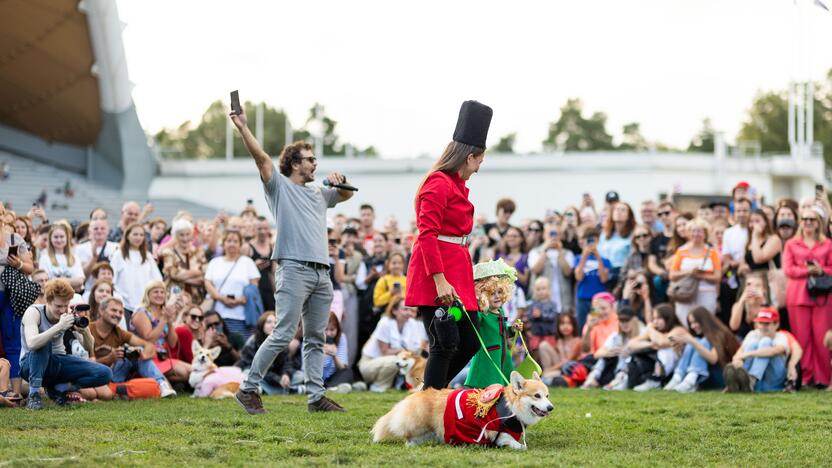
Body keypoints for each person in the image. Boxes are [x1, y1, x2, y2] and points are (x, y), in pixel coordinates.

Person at [231, 103, 354, 415]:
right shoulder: (279, 187)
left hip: (321, 273)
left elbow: (347, 195)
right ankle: (248, 388)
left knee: (315, 337)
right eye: (310, 159)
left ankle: (315, 398)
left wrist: (339, 182)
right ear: (295, 164)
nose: (315, 163)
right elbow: (261, 159)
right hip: (293, 268)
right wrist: (243, 127)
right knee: (283, 333)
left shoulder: (318, 192)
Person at [405, 100, 492, 390]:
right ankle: (429, 402)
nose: (479, 167)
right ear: (468, 157)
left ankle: (429, 392)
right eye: (479, 160)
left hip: (456, 270)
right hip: (437, 275)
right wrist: (440, 281)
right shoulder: (439, 183)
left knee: (468, 340)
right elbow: (427, 234)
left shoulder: (453, 184)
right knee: (444, 342)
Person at [19, 279, 112, 409]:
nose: (62, 310)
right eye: (58, 306)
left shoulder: (68, 314)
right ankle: (34, 396)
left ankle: (59, 389)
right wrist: (59, 327)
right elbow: (32, 343)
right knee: (43, 344)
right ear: (48, 301)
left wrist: (84, 332)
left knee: (105, 373)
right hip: (30, 364)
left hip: (58, 362)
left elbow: (89, 348)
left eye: (65, 305)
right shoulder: (33, 312)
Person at [782, 207, 832, 387]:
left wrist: (821, 270)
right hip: (798, 295)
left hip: (822, 297)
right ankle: (804, 377)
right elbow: (788, 269)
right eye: (805, 219)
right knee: (801, 338)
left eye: (812, 219)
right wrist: (806, 270)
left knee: (822, 338)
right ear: (800, 222)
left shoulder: (828, 244)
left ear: (819, 223)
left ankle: (823, 378)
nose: (808, 222)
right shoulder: (791, 244)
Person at [89, 297, 176, 397]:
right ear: (101, 310)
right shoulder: (88, 329)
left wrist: (143, 354)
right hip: (95, 375)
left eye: (120, 312)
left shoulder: (119, 332)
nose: (117, 314)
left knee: (136, 353)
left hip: (114, 375)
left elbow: (148, 345)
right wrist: (108, 358)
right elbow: (83, 363)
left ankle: (161, 384)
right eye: (113, 310)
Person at [464, 259, 520, 388]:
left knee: (502, 384)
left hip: (501, 354)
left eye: (499, 292)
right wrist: (479, 306)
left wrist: (512, 329)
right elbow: (474, 322)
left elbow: (501, 331)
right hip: (488, 356)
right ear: (483, 296)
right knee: (486, 385)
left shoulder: (499, 311)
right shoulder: (483, 313)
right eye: (491, 294)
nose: (497, 296)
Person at [358, 297, 427, 392]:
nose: (409, 313)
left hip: (394, 361)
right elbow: (385, 352)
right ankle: (379, 386)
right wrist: (404, 351)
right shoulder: (385, 323)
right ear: (394, 310)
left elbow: (416, 350)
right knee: (396, 361)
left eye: (412, 311)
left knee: (412, 361)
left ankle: (404, 385)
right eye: (405, 309)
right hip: (370, 363)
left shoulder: (414, 324)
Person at [663, 306, 739, 393]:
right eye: (691, 323)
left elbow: (713, 359)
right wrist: (678, 350)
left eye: (695, 322)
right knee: (697, 340)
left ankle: (690, 380)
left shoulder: (718, 334)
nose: (692, 326)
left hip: (720, 376)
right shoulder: (699, 337)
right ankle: (677, 378)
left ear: (704, 321)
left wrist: (692, 341)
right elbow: (690, 361)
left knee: (700, 341)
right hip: (704, 376)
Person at [130, 281, 191, 384]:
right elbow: (149, 339)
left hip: (161, 356)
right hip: (145, 358)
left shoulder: (163, 312)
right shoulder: (141, 312)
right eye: (156, 292)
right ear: (148, 294)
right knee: (183, 373)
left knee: (191, 370)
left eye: (162, 292)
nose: (160, 295)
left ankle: (158, 381)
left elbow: (172, 343)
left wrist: (170, 321)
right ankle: (149, 380)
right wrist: (163, 320)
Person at [205, 230, 261, 339]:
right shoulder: (215, 262)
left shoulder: (247, 262)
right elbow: (208, 283)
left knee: (241, 349)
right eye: (229, 241)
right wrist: (221, 298)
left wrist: (240, 300)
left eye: (235, 241)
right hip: (219, 315)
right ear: (223, 243)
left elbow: (254, 286)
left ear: (240, 244)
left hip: (242, 315)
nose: (232, 244)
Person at [0, 222, 34, 396]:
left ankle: (16, 393)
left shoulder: (15, 238)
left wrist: (18, 263)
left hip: (12, 296)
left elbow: (30, 267)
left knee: (13, 343)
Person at [668, 218, 721, 326]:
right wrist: (689, 272)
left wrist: (701, 275)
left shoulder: (711, 252)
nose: (696, 234)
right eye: (693, 231)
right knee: (686, 321)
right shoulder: (681, 251)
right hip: (686, 294)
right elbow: (672, 275)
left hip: (707, 293)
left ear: (705, 234)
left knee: (706, 323)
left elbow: (717, 277)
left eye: (700, 231)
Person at [723, 308, 788, 392]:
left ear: (776, 324)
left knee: (765, 341)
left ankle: (751, 380)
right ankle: (741, 382)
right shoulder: (753, 334)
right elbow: (740, 352)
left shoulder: (781, 336)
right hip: (760, 384)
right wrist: (738, 361)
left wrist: (748, 354)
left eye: (767, 323)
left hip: (773, 381)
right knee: (752, 344)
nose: (763, 327)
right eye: (761, 323)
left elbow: (775, 351)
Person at [582, 306, 645, 390]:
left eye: (627, 320)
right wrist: (608, 352)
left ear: (634, 320)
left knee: (623, 353)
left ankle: (619, 379)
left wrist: (629, 352)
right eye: (621, 321)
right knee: (606, 356)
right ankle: (592, 377)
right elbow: (596, 354)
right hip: (614, 368)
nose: (624, 324)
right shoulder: (616, 336)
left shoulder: (643, 333)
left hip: (635, 369)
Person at [627, 303, 687, 391]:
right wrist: (650, 344)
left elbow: (663, 342)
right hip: (658, 366)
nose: (655, 322)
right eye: (654, 318)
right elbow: (631, 344)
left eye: (658, 318)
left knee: (665, 349)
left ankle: (656, 380)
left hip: (677, 367)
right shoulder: (655, 332)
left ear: (668, 318)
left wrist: (650, 329)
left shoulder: (679, 329)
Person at [111, 223, 163, 316]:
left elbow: (157, 280)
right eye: (135, 234)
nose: (138, 237)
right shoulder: (118, 255)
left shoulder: (147, 256)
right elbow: (112, 279)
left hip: (144, 305)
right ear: (127, 236)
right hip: (124, 304)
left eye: (141, 235)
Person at [528, 226, 574, 317]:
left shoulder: (567, 253)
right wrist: (545, 249)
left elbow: (568, 272)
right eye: (551, 234)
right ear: (544, 235)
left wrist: (560, 251)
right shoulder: (535, 252)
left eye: (556, 234)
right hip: (542, 302)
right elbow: (536, 269)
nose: (553, 237)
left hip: (563, 300)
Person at [573, 225, 611, 332]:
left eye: (593, 240)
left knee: (597, 326)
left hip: (598, 300)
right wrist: (584, 256)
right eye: (588, 239)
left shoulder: (605, 260)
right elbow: (578, 277)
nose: (590, 243)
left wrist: (597, 256)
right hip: (583, 299)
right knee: (583, 327)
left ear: (598, 241)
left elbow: (604, 279)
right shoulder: (577, 258)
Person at [160, 218, 207, 302]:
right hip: (174, 297)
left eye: (187, 234)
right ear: (175, 236)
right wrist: (197, 272)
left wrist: (181, 277)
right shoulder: (169, 252)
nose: (185, 238)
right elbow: (173, 274)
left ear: (192, 235)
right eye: (181, 235)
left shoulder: (198, 252)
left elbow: (205, 275)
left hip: (196, 298)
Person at [73, 219, 119, 291]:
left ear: (108, 231)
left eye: (102, 228)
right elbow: (81, 275)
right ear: (89, 231)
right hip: (89, 290)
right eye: (96, 228)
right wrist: (94, 258)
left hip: (112, 291)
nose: (99, 231)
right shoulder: (80, 249)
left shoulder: (116, 247)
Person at [598, 201, 635, 287]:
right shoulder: (604, 235)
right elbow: (599, 254)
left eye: (623, 210)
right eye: (616, 209)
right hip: (603, 273)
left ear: (629, 215)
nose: (619, 212)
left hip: (621, 274)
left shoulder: (632, 235)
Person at [38, 224, 85, 291]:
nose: (59, 240)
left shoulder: (75, 257)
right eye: (56, 237)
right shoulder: (44, 258)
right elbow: (45, 282)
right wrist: (71, 281)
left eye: (62, 237)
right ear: (50, 239)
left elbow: (80, 281)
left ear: (67, 238)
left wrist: (56, 280)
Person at [244, 216, 276, 312]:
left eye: (265, 228)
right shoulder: (247, 247)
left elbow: (274, 272)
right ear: (254, 230)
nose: (262, 231)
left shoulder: (272, 247)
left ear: (269, 229)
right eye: (259, 228)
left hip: (269, 291)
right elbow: (241, 271)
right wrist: (254, 265)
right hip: (254, 291)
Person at [538, 314, 582, 381]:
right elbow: (559, 359)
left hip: (568, 369)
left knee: (546, 375)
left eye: (569, 323)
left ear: (574, 326)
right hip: (558, 367)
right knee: (543, 345)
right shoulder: (559, 341)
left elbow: (566, 362)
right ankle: (547, 374)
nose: (565, 327)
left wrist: (549, 370)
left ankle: (548, 375)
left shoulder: (577, 341)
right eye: (562, 324)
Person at [728, 273, 769, 339]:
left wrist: (763, 301)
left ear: (764, 289)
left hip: (763, 339)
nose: (753, 288)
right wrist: (741, 300)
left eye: (757, 285)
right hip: (742, 341)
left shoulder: (768, 306)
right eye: (749, 285)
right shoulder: (738, 305)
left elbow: (766, 326)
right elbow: (733, 327)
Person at [321, 312, 353, 392]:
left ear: (337, 329)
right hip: (317, 376)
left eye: (332, 330)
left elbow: (342, 368)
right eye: (325, 330)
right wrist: (322, 354)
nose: (328, 333)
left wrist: (334, 356)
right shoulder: (313, 338)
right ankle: (338, 388)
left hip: (332, 377)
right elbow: (308, 368)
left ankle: (331, 388)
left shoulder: (341, 337)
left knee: (348, 372)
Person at [527, 276, 558, 353]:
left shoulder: (552, 304)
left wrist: (541, 315)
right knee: (536, 353)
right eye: (538, 289)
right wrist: (533, 315)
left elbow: (553, 317)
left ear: (548, 290)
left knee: (548, 352)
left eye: (543, 289)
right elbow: (529, 316)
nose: (541, 291)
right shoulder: (533, 304)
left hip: (549, 335)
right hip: (536, 335)